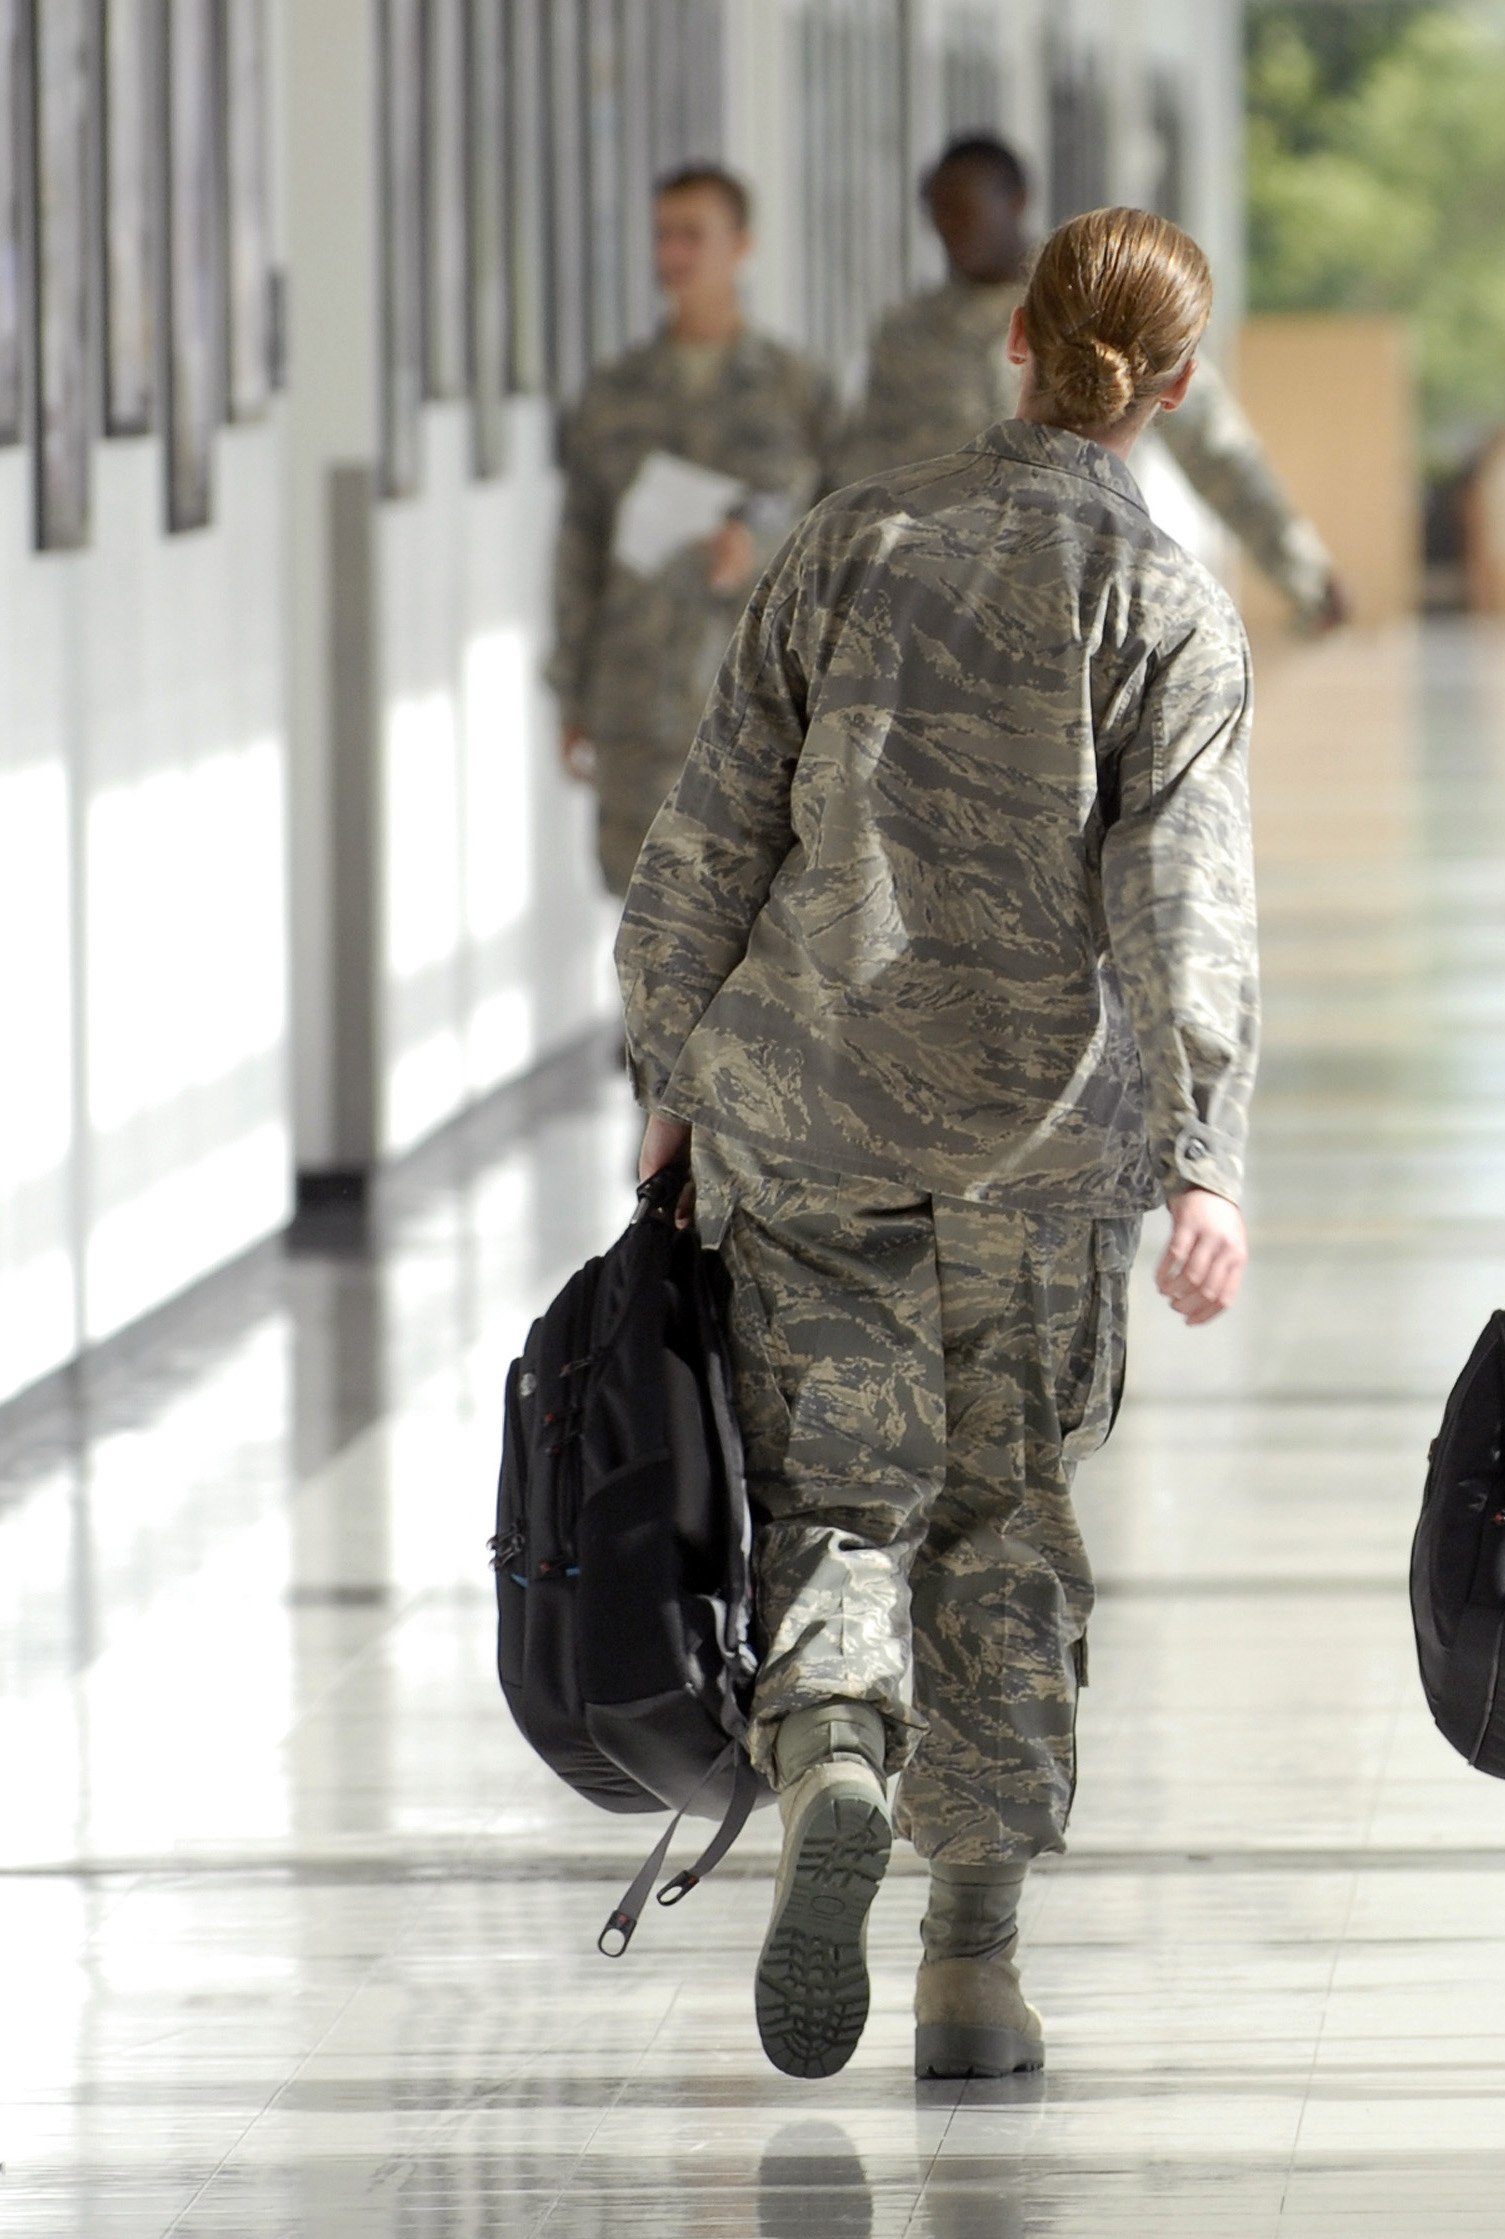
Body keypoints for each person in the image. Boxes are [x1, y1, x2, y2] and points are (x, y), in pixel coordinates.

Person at [614, 208, 1260, 2083]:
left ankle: (828, 1749)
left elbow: (712, 827)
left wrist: (669, 1064)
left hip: (804, 1112)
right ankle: (972, 1968)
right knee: (1005, 1530)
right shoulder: (1158, 604)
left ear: (1015, 347)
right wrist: (1204, 1151)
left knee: (837, 1497)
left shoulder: (850, 541)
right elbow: (1184, 909)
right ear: (1174, 386)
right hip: (1033, 1153)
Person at [828, 133, 1347, 633]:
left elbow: (1216, 450)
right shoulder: (906, 335)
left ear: (1016, 201)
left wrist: (1302, 571)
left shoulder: (1088, 307)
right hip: (937, 602)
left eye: (964, 209)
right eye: (938, 213)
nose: (950, 229)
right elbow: (864, 469)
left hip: (1076, 599)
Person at [550, 166, 836, 893]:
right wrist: (572, 695)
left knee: (760, 925)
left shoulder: (795, 389)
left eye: (691, 234)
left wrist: (762, 549)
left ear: (740, 245)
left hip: (762, 708)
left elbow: (845, 541)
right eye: (661, 236)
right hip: (639, 697)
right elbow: (579, 547)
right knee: (648, 921)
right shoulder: (615, 393)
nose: (672, 253)